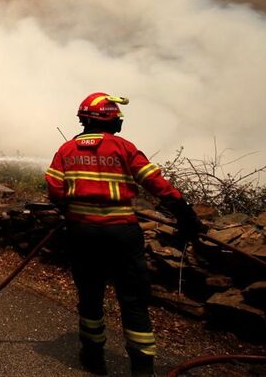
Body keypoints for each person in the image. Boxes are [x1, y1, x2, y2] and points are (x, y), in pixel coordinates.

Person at [45, 93, 205, 376]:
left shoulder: (66, 150)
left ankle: (93, 357)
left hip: (82, 233)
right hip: (122, 234)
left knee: (90, 294)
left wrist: (74, 210)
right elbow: (158, 185)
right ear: (110, 118)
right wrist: (186, 215)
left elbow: (55, 190)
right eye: (117, 116)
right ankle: (142, 368)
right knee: (133, 299)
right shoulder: (124, 148)